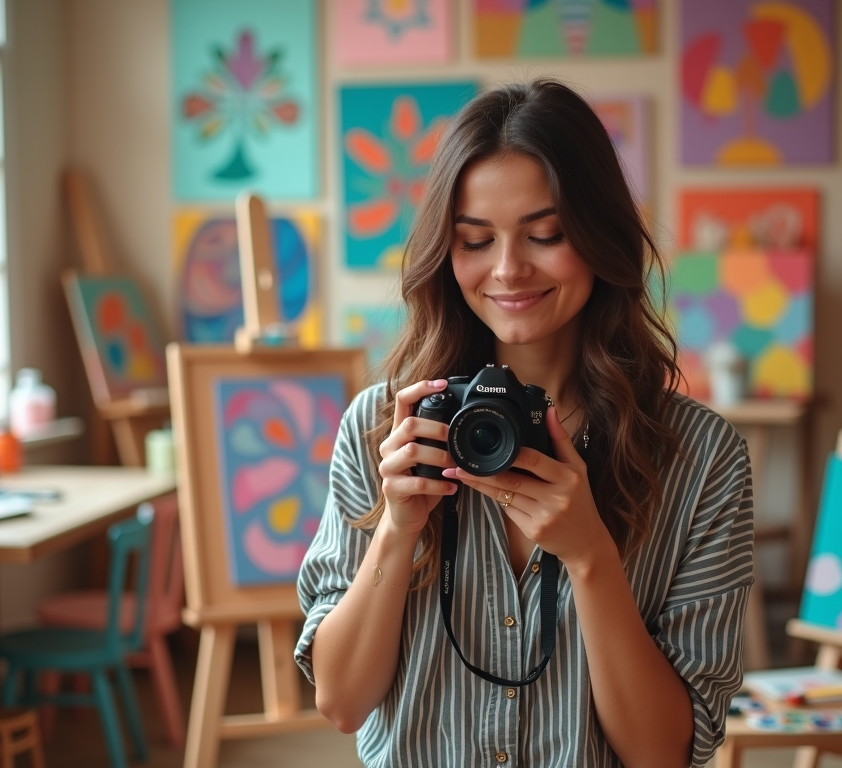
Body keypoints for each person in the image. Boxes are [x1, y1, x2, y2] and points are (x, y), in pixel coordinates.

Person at [296, 78, 754, 768]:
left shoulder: (700, 456)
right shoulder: (386, 428)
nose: (508, 270)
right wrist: (397, 530)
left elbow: (663, 753)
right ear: (445, 254)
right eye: (475, 241)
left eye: (546, 235)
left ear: (600, 236)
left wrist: (591, 556)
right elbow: (341, 701)